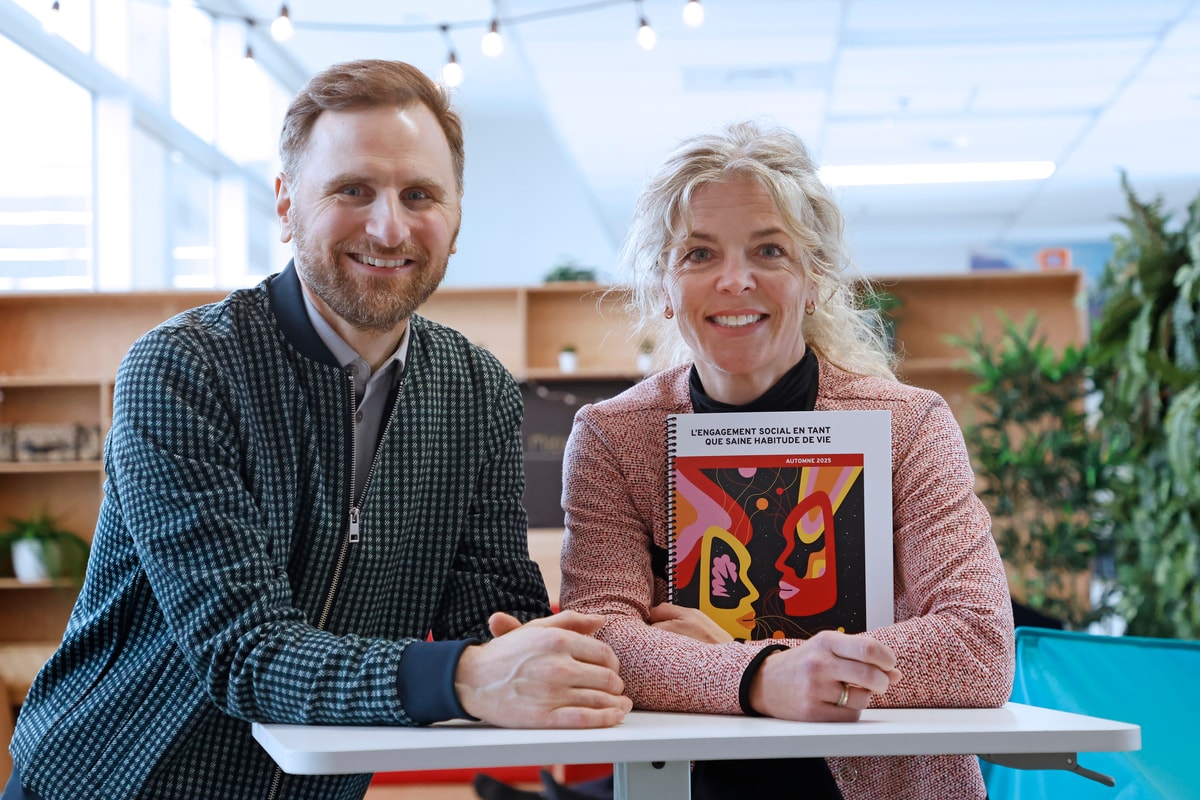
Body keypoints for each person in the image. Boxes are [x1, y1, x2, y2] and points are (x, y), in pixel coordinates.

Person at [4, 59, 632, 800]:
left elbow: (491, 609)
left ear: (457, 221)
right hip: (110, 783)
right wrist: (465, 678)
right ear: (285, 204)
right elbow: (244, 650)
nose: (388, 225)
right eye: (352, 189)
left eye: (420, 194)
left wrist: (622, 638)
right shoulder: (183, 370)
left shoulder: (479, 391)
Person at [556, 120, 1015, 799]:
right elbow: (603, 643)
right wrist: (766, 675)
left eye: (769, 250)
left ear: (814, 275)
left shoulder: (906, 427)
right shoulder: (612, 437)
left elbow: (978, 647)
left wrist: (731, 656)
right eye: (699, 254)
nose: (735, 280)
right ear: (661, 285)